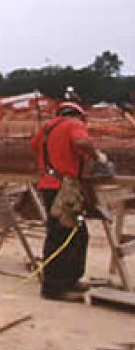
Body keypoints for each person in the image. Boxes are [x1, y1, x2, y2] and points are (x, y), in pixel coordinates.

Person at [31, 101, 108, 301]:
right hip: (63, 189)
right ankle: (53, 287)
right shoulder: (74, 124)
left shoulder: (46, 129)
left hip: (50, 186)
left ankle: (71, 279)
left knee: (77, 234)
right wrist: (97, 156)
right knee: (61, 235)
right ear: (79, 115)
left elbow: (34, 147)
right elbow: (81, 142)